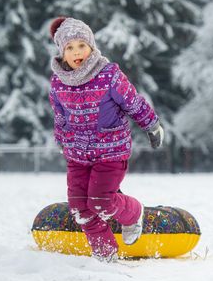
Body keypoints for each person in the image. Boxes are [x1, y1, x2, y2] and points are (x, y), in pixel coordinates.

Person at [48, 17, 164, 262]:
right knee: (81, 208)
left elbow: (133, 101)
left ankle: (134, 214)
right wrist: (62, 140)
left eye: (81, 45)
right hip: (77, 155)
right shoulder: (58, 82)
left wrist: (151, 125)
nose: (76, 52)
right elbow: (60, 116)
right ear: (62, 53)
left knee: (101, 202)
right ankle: (106, 256)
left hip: (110, 152)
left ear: (91, 46)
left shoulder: (108, 74)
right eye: (69, 48)